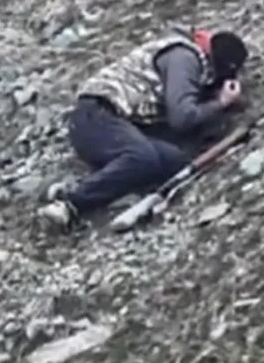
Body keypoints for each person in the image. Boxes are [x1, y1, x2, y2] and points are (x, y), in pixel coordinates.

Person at [39, 26, 249, 229]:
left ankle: (79, 185)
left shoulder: (187, 57)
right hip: (95, 113)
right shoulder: (184, 58)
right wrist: (220, 102)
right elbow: (182, 117)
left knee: (174, 161)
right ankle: (70, 204)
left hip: (117, 123)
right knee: (142, 156)